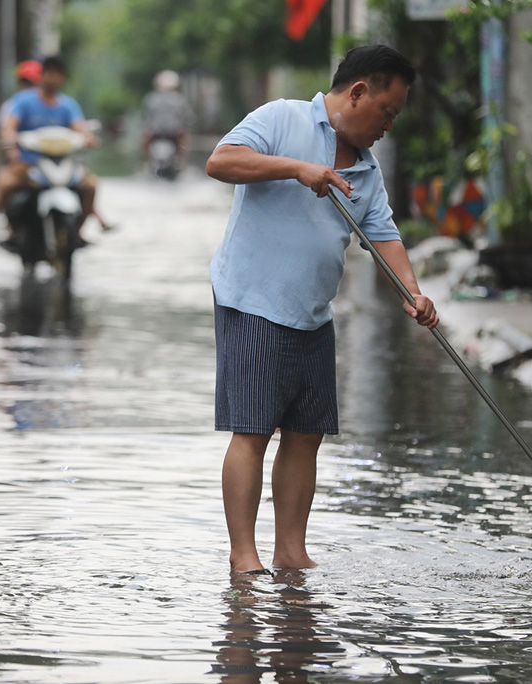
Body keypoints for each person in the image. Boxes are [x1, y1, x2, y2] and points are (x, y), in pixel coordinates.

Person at [205, 45, 439, 575]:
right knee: (253, 429)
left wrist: (413, 293)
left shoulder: (367, 171)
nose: (388, 125)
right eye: (387, 111)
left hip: (311, 310)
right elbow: (221, 161)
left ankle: (291, 550)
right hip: (254, 298)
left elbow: (385, 238)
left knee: (306, 433)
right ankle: (245, 557)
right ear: (358, 93)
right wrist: (296, 169)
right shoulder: (281, 117)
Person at [0, 55, 111, 241]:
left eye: (57, 74)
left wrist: (88, 138)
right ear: (42, 75)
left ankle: (78, 231)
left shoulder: (68, 105)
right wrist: (10, 140)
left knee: (91, 185)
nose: (53, 78)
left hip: (62, 162)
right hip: (29, 163)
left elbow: (80, 128)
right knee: (5, 182)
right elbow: (9, 127)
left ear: (63, 78)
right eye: (49, 73)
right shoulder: (24, 102)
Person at [141, 69, 194, 169]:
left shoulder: (152, 98)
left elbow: (145, 116)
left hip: (167, 131)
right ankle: (180, 161)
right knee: (184, 140)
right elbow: (189, 117)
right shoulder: (154, 98)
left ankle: (147, 161)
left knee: (145, 139)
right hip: (164, 131)